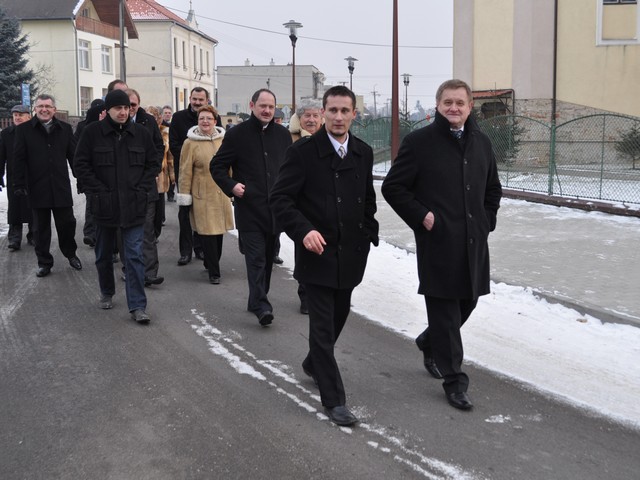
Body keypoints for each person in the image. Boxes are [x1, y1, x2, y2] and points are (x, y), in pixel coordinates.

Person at [381, 79, 502, 411]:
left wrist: (487, 220)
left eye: (460, 103)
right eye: (448, 102)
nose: (454, 108)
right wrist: (423, 216)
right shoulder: (419, 143)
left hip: (473, 243)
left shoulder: (481, 143)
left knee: (468, 303)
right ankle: (455, 381)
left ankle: (428, 340)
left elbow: (493, 189)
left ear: (470, 107)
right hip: (438, 243)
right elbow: (393, 187)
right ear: (437, 105)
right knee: (446, 315)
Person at [271, 86, 378, 426]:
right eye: (333, 110)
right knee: (321, 327)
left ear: (354, 114)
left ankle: (312, 362)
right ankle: (334, 400)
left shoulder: (362, 152)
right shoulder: (303, 152)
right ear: (323, 113)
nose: (338, 117)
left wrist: (369, 230)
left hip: (351, 254)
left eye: (345, 111)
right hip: (316, 254)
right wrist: (304, 231)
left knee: (338, 318)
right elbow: (280, 199)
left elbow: (367, 198)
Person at [74, 89, 158, 323]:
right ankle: (107, 291)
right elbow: (81, 165)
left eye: (126, 108)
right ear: (108, 110)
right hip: (104, 207)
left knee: (134, 257)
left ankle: (138, 306)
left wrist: (142, 188)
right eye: (118, 108)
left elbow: (153, 164)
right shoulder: (93, 133)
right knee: (103, 255)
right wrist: (98, 191)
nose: (123, 112)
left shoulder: (140, 134)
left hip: (134, 206)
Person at [211, 88, 292, 326]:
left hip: (274, 210)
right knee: (256, 259)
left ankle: (256, 298)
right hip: (249, 209)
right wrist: (232, 186)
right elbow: (217, 166)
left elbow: (290, 169)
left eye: (271, 107)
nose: (267, 110)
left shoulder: (283, 135)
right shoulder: (237, 134)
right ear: (252, 106)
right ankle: (262, 306)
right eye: (262, 106)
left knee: (267, 259)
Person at [12, 94, 82, 277]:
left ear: (54, 109)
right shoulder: (24, 130)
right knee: (40, 229)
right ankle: (44, 262)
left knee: (67, 224)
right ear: (35, 109)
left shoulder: (65, 129)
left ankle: (71, 253)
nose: (44, 109)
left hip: (60, 186)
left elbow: (73, 156)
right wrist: (18, 183)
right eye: (41, 106)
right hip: (37, 187)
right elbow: (18, 159)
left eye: (48, 106)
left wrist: (81, 179)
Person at [177, 105, 233, 284]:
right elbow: (185, 171)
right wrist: (184, 196)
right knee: (208, 232)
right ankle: (214, 273)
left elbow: (231, 166)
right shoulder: (190, 143)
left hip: (221, 193)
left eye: (209, 118)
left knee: (219, 232)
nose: (205, 121)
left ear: (215, 121)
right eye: (202, 118)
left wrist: (233, 187)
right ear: (197, 121)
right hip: (202, 194)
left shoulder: (224, 140)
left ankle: (211, 261)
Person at [287, 98, 324, 314]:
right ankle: (306, 296)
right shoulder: (290, 139)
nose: (311, 120)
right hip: (300, 206)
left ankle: (320, 294)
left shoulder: (328, 138)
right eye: (307, 116)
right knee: (305, 251)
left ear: (321, 117)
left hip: (324, 204)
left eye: (315, 115)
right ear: (299, 118)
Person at [127, 89, 165, 287]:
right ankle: (129, 269)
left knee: (147, 230)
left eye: (133, 105)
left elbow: (159, 147)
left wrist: (154, 169)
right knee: (125, 230)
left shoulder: (148, 121)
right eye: (126, 105)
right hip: (123, 187)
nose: (129, 109)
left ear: (139, 104)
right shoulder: (112, 122)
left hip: (146, 184)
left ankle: (149, 272)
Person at [169, 87, 209, 265]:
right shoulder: (178, 118)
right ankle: (185, 251)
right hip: (184, 172)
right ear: (190, 99)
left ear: (206, 101)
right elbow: (174, 145)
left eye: (201, 100)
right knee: (184, 212)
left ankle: (200, 248)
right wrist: (193, 156)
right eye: (195, 99)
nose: (197, 102)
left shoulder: (212, 118)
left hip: (205, 174)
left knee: (202, 210)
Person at [0, 104, 34, 251]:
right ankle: (14, 237)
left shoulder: (35, 132)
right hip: (14, 176)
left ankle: (34, 235)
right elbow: (1, 156)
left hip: (34, 176)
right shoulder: (6, 134)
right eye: (15, 115)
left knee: (34, 205)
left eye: (21, 115)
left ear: (29, 116)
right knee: (14, 207)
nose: (17, 117)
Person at [74, 98, 106, 248]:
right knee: (91, 202)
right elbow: (76, 149)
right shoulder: (83, 127)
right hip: (89, 172)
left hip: (102, 171)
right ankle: (90, 233)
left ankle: (95, 233)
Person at [146, 106, 174, 240]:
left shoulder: (164, 132)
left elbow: (169, 155)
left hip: (161, 174)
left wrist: (173, 175)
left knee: (158, 208)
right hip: (147, 175)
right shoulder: (141, 130)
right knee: (148, 208)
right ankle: (149, 234)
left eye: (152, 116)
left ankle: (155, 232)